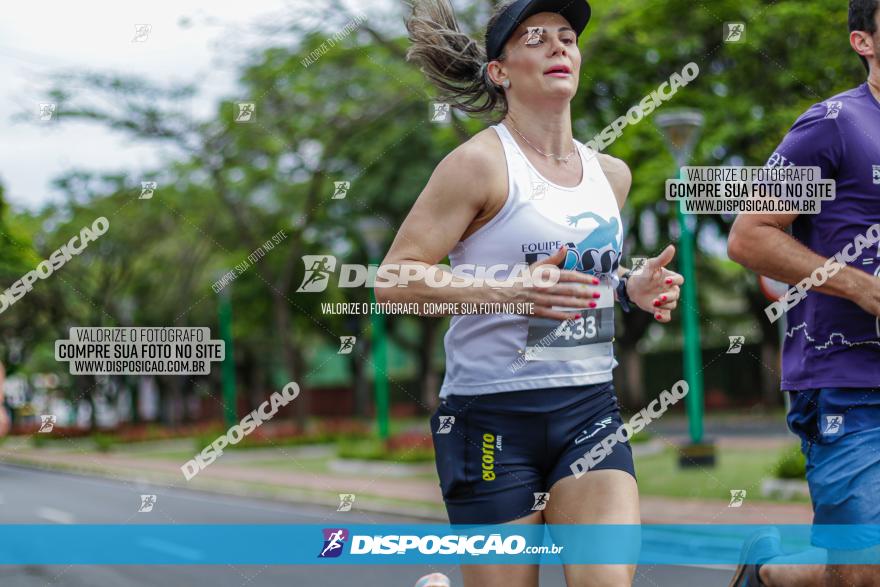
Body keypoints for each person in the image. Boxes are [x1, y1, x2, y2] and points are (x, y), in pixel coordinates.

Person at [378, 1, 684, 585]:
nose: (558, 47)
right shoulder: (478, 166)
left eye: (567, 37)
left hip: (588, 406)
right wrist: (512, 292)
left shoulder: (610, 175)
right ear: (500, 70)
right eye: (536, 38)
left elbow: (577, 284)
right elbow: (394, 280)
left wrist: (628, 289)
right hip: (490, 416)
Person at [727, 1, 880, 585]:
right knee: (863, 572)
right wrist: (864, 289)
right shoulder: (833, 123)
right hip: (849, 385)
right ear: (863, 41)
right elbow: (748, 235)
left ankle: (767, 574)